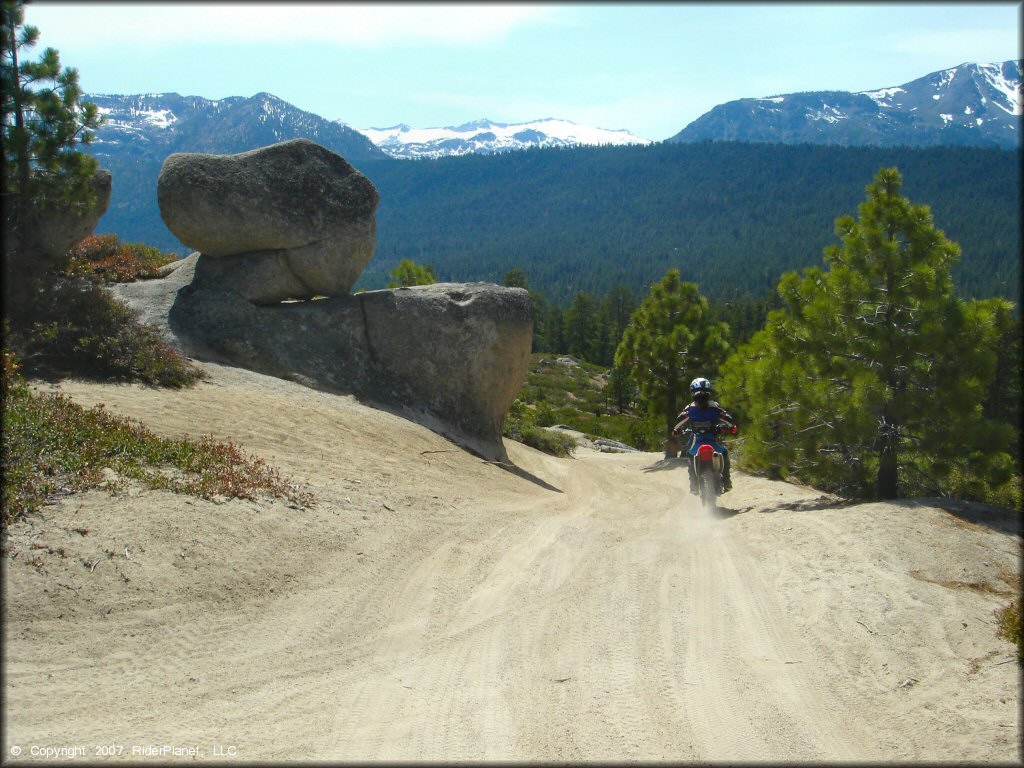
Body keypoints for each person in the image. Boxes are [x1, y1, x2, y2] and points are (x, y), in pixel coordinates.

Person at [671, 377, 737, 494]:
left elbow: (678, 421)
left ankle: (694, 486)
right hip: (713, 441)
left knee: (690, 455)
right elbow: (728, 418)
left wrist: (675, 430)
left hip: (697, 442)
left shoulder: (689, 408)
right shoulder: (715, 406)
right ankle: (726, 481)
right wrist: (732, 428)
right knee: (724, 452)